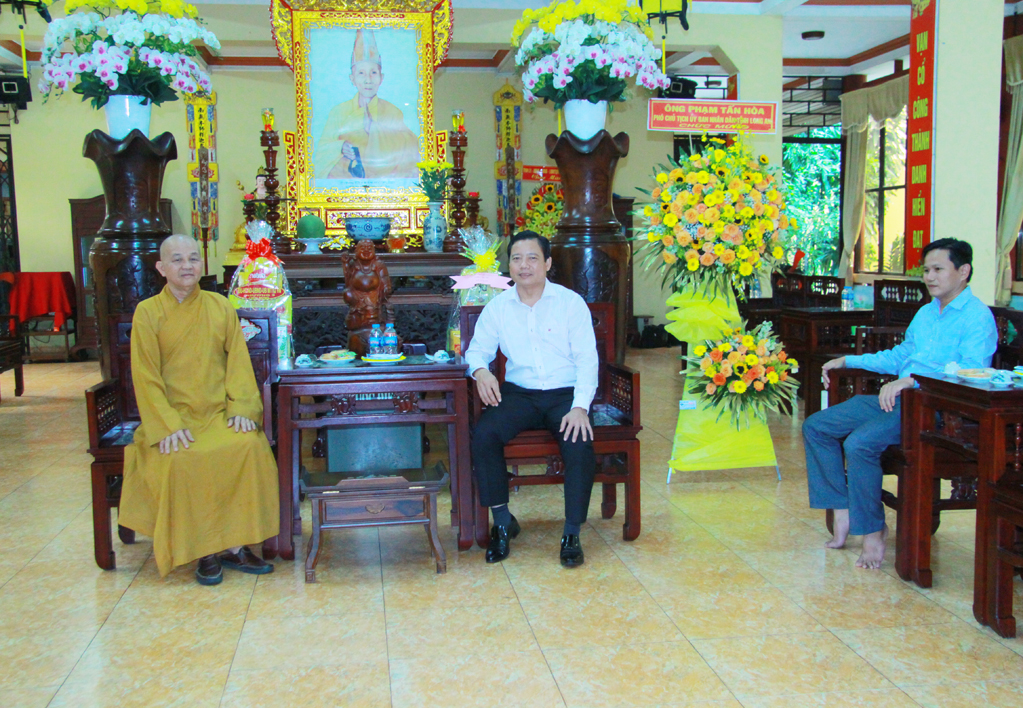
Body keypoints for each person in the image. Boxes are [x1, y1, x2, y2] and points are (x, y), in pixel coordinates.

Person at [804, 238, 997, 570]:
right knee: (817, 426)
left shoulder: (977, 317)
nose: (929, 277)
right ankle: (842, 508)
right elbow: (899, 357)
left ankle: (873, 530)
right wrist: (847, 360)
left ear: (963, 271)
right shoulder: (926, 312)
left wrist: (913, 381)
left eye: (938, 269)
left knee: (860, 442)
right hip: (900, 400)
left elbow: (972, 372)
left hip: (937, 409)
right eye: (926, 270)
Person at [119, 235, 280, 586]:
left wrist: (242, 406)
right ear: (161, 268)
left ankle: (235, 546)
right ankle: (203, 550)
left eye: (193, 258)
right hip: (173, 418)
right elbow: (144, 375)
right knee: (183, 459)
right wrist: (167, 424)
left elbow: (238, 362)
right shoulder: (148, 313)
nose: (187, 266)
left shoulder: (219, 306)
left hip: (217, 413)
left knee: (249, 447)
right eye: (177, 260)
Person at [465, 231, 599, 567]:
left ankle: (572, 533)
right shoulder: (498, 307)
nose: (524, 265)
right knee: (485, 434)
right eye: (516, 258)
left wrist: (580, 407)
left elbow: (587, 359)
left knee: (579, 441)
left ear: (548, 263)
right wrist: (481, 372)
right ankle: (503, 522)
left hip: (565, 394)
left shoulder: (570, 303)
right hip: (520, 394)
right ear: (509, 265)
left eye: (532, 258)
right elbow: (476, 351)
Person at [313, 28, 419, 181]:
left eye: (373, 73)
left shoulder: (392, 112)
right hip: (345, 183)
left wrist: (374, 129)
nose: (368, 79)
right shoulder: (338, 111)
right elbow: (321, 152)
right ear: (352, 79)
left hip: (384, 184)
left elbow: (409, 147)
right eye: (361, 73)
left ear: (381, 78)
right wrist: (340, 147)